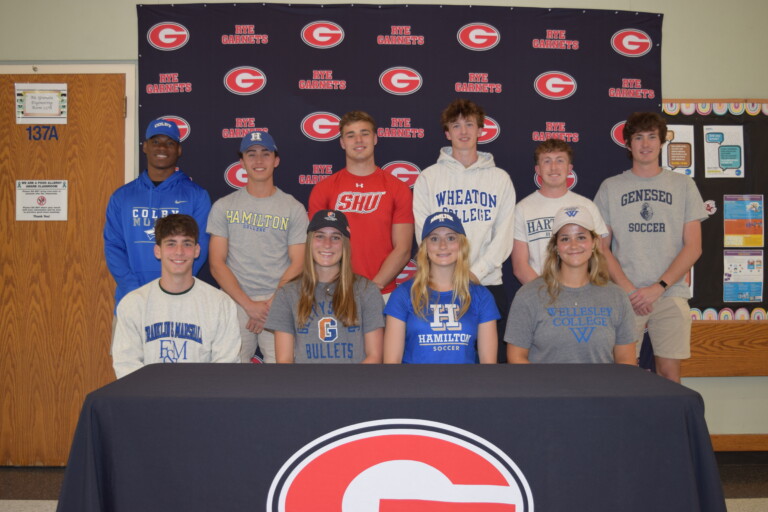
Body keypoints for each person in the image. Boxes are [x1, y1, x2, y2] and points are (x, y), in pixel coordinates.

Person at [594, 111, 707, 382]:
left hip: (670, 293)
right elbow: (601, 248)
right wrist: (630, 290)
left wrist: (659, 288)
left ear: (662, 141)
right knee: (623, 376)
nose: (645, 144)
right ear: (628, 144)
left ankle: (668, 426)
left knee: (669, 376)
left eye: (652, 137)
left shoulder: (683, 185)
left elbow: (694, 247)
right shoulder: (611, 187)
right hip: (624, 296)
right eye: (638, 137)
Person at [412, 98, 515, 361]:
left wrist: (474, 273)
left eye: (470, 124)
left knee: (489, 365)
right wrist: (450, 275)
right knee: (443, 360)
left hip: (487, 283)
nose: (464, 131)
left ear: (481, 130)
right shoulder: (429, 177)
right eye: (456, 126)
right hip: (440, 285)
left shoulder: (499, 178)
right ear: (447, 133)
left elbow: (503, 237)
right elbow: (424, 235)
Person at [207, 131, 308, 363]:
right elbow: (216, 263)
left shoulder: (293, 208)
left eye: (266, 153)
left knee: (282, 381)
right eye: (251, 154)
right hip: (235, 302)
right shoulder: (224, 206)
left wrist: (269, 306)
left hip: (279, 302)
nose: (259, 160)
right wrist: (249, 305)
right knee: (230, 379)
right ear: (241, 162)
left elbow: (299, 262)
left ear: (276, 160)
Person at [111, 214, 240, 378]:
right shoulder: (133, 303)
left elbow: (225, 367)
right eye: (171, 244)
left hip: (201, 399)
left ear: (197, 250)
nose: (179, 252)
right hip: (147, 399)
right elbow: (126, 365)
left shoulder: (221, 304)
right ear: (158, 251)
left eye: (187, 244)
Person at [505, 206, 637, 365]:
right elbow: (516, 357)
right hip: (546, 389)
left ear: (594, 243)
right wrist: (547, 387)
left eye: (581, 237)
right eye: (565, 239)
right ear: (556, 247)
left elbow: (626, 361)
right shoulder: (528, 295)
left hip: (602, 389)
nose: (573, 245)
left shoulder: (616, 296)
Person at [104, 118, 211, 313]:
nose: (162, 147)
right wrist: (134, 290)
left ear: (179, 150)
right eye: (155, 141)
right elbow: (113, 247)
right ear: (144, 146)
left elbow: (200, 246)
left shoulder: (196, 196)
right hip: (132, 300)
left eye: (170, 143)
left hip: (180, 300)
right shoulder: (122, 197)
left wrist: (174, 287)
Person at [308, 110, 413, 299]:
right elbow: (315, 245)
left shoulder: (398, 188)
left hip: (382, 292)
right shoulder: (324, 189)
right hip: (335, 292)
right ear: (342, 143)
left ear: (375, 138)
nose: (358, 140)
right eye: (351, 135)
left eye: (364, 133)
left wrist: (373, 287)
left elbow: (403, 249)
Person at [266, 210, 384, 363]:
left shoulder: (367, 290)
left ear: (345, 244)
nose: (327, 244)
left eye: (335, 237)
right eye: (320, 236)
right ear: (309, 241)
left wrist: (350, 385)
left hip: (355, 384)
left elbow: (374, 357)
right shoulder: (287, 294)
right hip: (306, 385)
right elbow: (284, 361)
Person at [384, 211, 499, 364]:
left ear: (462, 245)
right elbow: (391, 365)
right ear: (424, 247)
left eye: (451, 238)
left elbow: (488, 366)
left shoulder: (481, 296)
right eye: (434, 239)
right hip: (414, 386)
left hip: (466, 386)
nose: (443, 245)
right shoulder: (403, 294)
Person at [512, 139, 608, 284]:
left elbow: (599, 256)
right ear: (537, 169)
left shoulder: (587, 206)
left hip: (581, 293)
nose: (554, 167)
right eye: (547, 161)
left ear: (570, 168)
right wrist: (546, 294)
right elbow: (520, 267)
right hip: (540, 294)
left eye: (560, 160)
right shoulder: (522, 209)